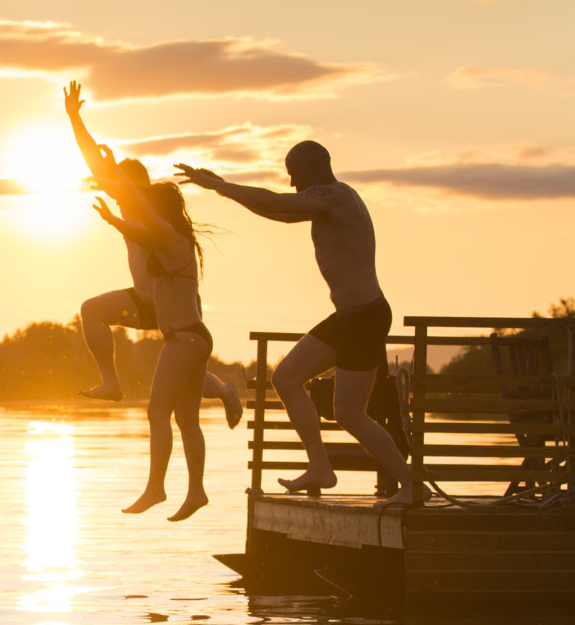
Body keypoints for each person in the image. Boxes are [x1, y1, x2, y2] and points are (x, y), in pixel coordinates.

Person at [175, 142, 412, 503]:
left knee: (349, 413)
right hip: (348, 317)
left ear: (316, 167)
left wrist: (218, 186)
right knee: (285, 377)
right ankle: (321, 467)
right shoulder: (324, 203)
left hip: (365, 317)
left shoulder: (335, 196)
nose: (291, 183)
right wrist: (223, 188)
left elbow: (276, 202)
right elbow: (279, 212)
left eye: (294, 174)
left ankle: (410, 485)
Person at [62, 83, 241, 427]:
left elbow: (100, 166)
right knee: (92, 310)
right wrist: (74, 118)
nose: (110, 186)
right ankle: (112, 382)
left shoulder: (148, 214)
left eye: (117, 183)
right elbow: (95, 164)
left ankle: (224, 392)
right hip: (147, 301)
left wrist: (75, 118)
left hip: (172, 306)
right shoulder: (130, 208)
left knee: (187, 382)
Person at [88, 172, 213, 521]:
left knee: (157, 414)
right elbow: (137, 231)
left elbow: (144, 218)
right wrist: (114, 219)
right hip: (194, 337)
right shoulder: (169, 239)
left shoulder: (172, 238)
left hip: (184, 338)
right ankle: (197, 491)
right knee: (187, 420)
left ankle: (156, 488)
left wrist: (126, 188)